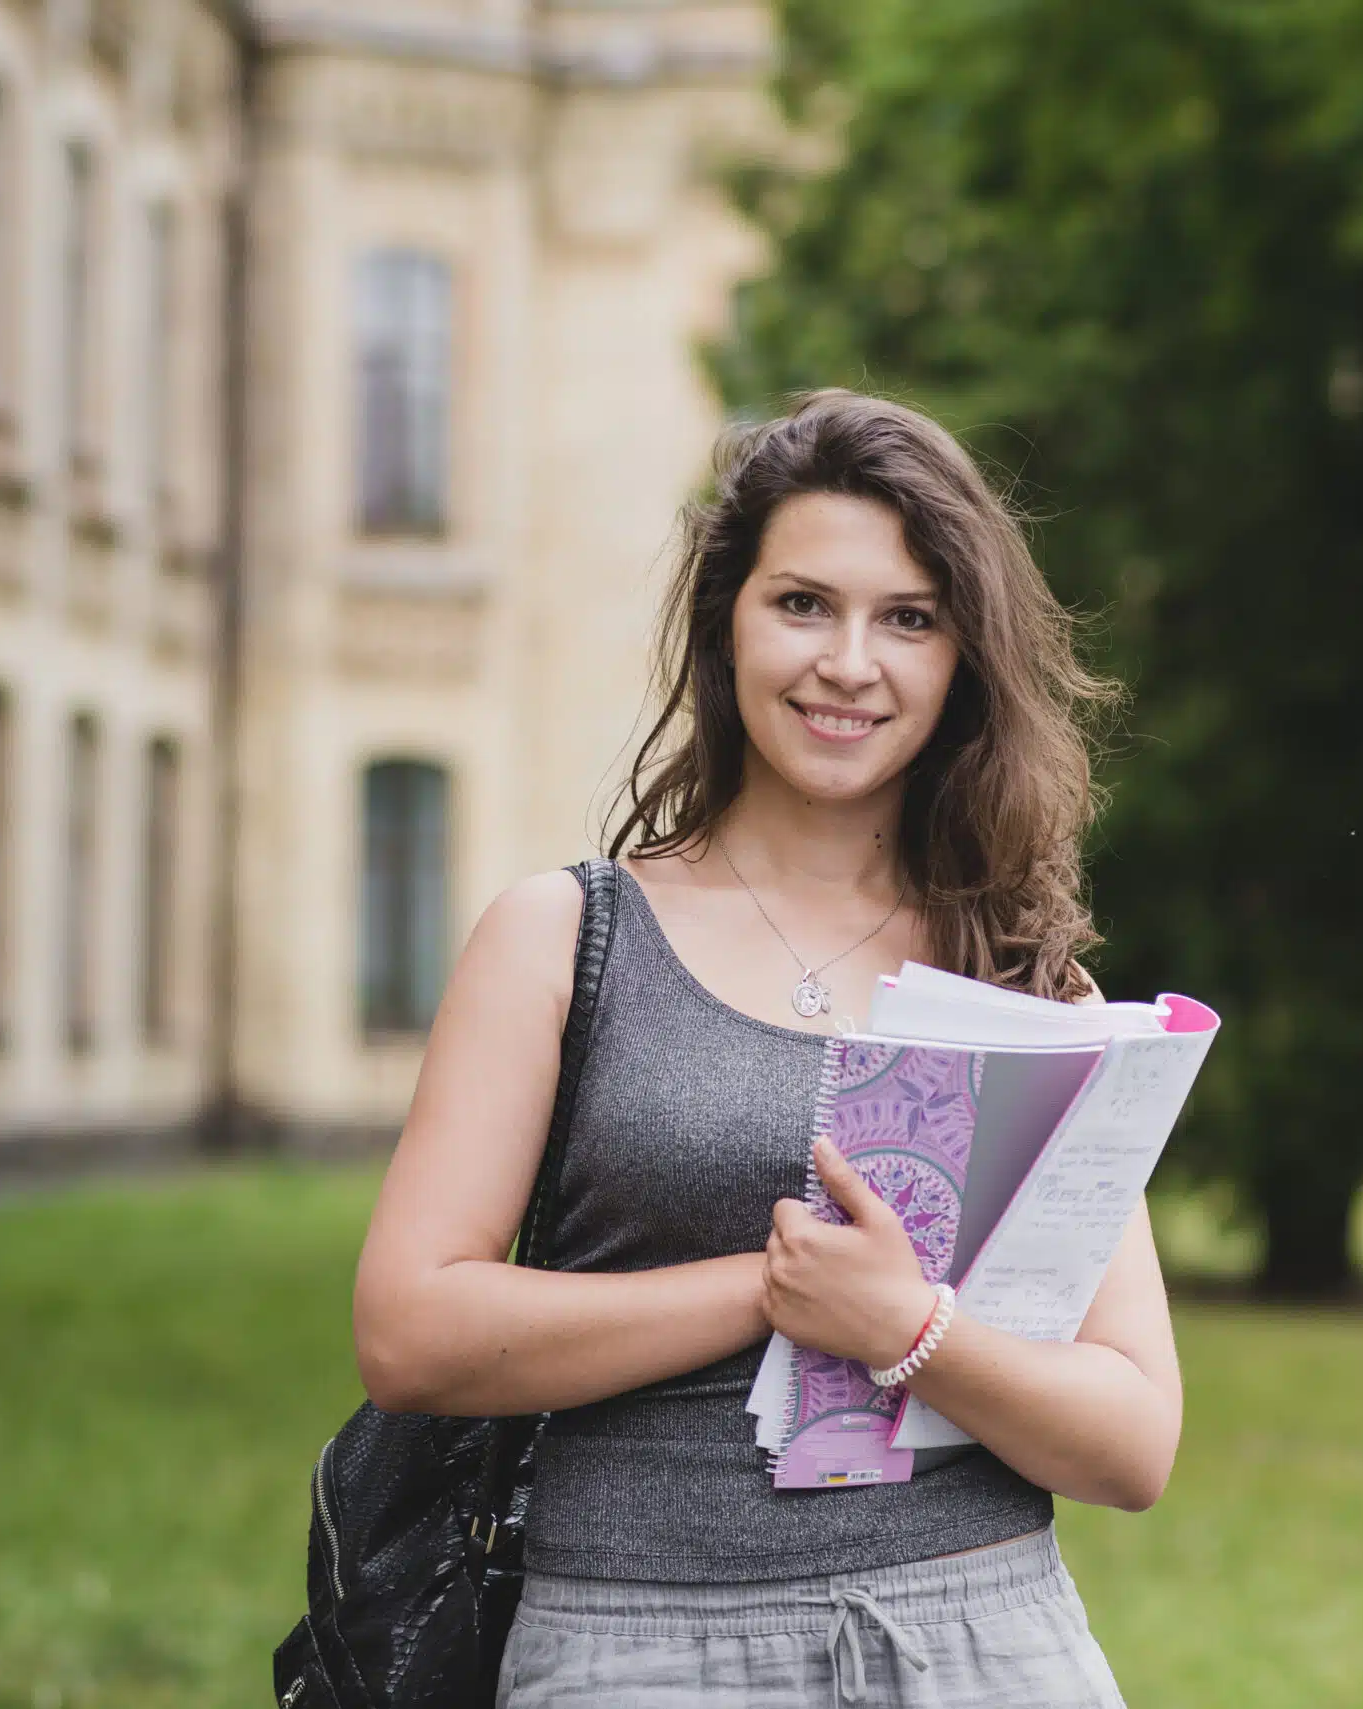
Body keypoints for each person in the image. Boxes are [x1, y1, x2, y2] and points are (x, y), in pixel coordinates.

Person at [351, 390, 1178, 1706]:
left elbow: (1135, 1440)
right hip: (639, 1649)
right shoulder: (567, 940)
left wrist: (903, 1327)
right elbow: (411, 1331)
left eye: (908, 618)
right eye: (804, 604)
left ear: (964, 658)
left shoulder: (1025, 978)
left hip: (983, 1644)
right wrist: (772, 1288)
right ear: (725, 623)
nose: (851, 662)